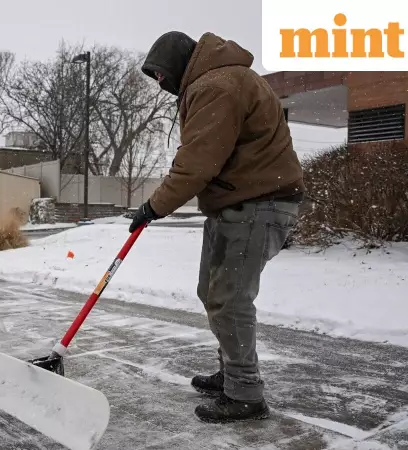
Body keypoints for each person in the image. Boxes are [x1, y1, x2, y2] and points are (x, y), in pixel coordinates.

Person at [130, 31, 305, 423]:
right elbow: (204, 159)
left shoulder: (216, 85)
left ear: (178, 63)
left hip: (256, 204)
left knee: (230, 299)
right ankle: (231, 372)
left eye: (160, 75)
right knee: (211, 291)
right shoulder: (216, 80)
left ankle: (245, 394)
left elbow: (198, 162)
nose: (161, 85)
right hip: (235, 202)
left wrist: (154, 207)